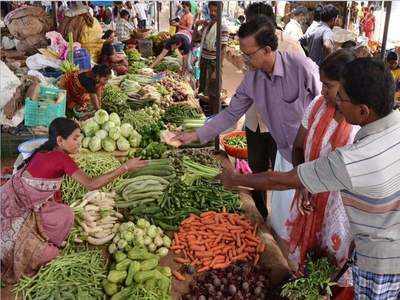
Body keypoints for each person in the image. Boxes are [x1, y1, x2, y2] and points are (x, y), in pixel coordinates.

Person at [218, 58, 400, 300]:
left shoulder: (356, 158)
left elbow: (282, 181)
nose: (336, 101)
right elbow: (299, 150)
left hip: (381, 261)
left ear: (363, 110)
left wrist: (235, 179)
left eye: (342, 98)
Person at [174, 16, 321, 242]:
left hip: (313, 157)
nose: (243, 58)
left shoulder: (301, 67)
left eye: (248, 53)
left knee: (312, 218)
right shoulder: (252, 80)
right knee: (286, 220)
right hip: (285, 155)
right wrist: (195, 135)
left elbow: (326, 105)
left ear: (268, 49)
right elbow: (231, 114)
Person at [1, 118, 147, 283]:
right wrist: (125, 167)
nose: (80, 142)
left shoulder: (44, 151)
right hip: (14, 212)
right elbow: (92, 184)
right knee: (50, 254)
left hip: (17, 202)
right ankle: (28, 246)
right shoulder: (61, 158)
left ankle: (39, 236)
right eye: (75, 138)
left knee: (65, 213)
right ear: (60, 140)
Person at [288, 50, 359, 296]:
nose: (322, 91)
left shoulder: (359, 121)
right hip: (308, 197)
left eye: (328, 86)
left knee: (335, 271)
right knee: (306, 264)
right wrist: (302, 183)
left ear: (346, 86)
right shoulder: (317, 106)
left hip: (339, 210)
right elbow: (298, 147)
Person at [243, 2, 305, 220]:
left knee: (282, 174)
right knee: (257, 169)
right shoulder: (248, 44)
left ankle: (282, 221)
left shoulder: (291, 45)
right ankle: (260, 215)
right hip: (254, 120)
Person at [196, 1, 229, 105]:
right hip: (204, 60)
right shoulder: (207, 24)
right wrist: (196, 26)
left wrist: (217, 69)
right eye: (211, 10)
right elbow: (196, 38)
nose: (213, 13)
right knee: (203, 89)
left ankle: (213, 114)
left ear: (221, 11)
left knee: (213, 91)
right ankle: (204, 110)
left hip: (214, 63)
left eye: (216, 10)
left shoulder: (222, 27)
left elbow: (223, 49)